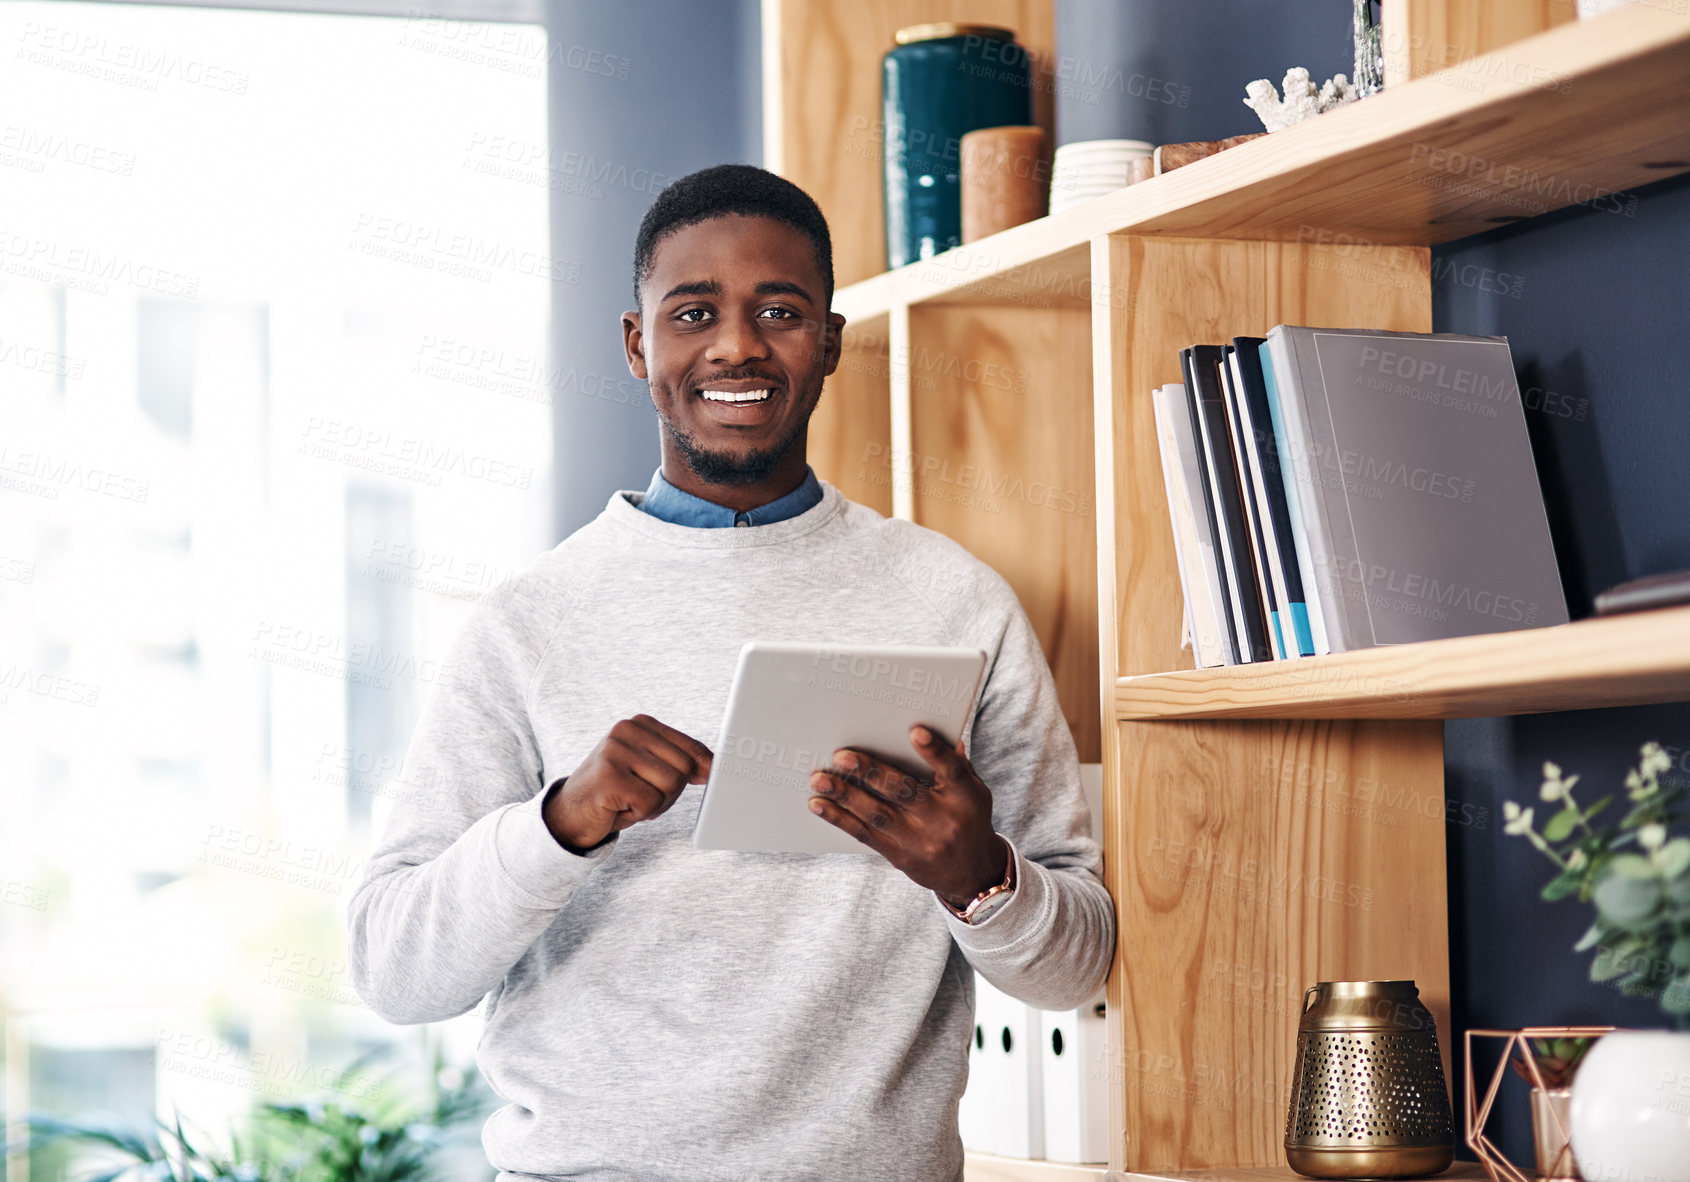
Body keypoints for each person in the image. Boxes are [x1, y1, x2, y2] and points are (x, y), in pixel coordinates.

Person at [346, 163, 1115, 1182]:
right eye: (694, 310)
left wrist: (975, 878)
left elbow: (1074, 968)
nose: (738, 344)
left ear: (830, 342)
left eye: (781, 311)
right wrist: (559, 822)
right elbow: (394, 969)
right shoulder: (527, 623)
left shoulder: (956, 603)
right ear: (638, 344)